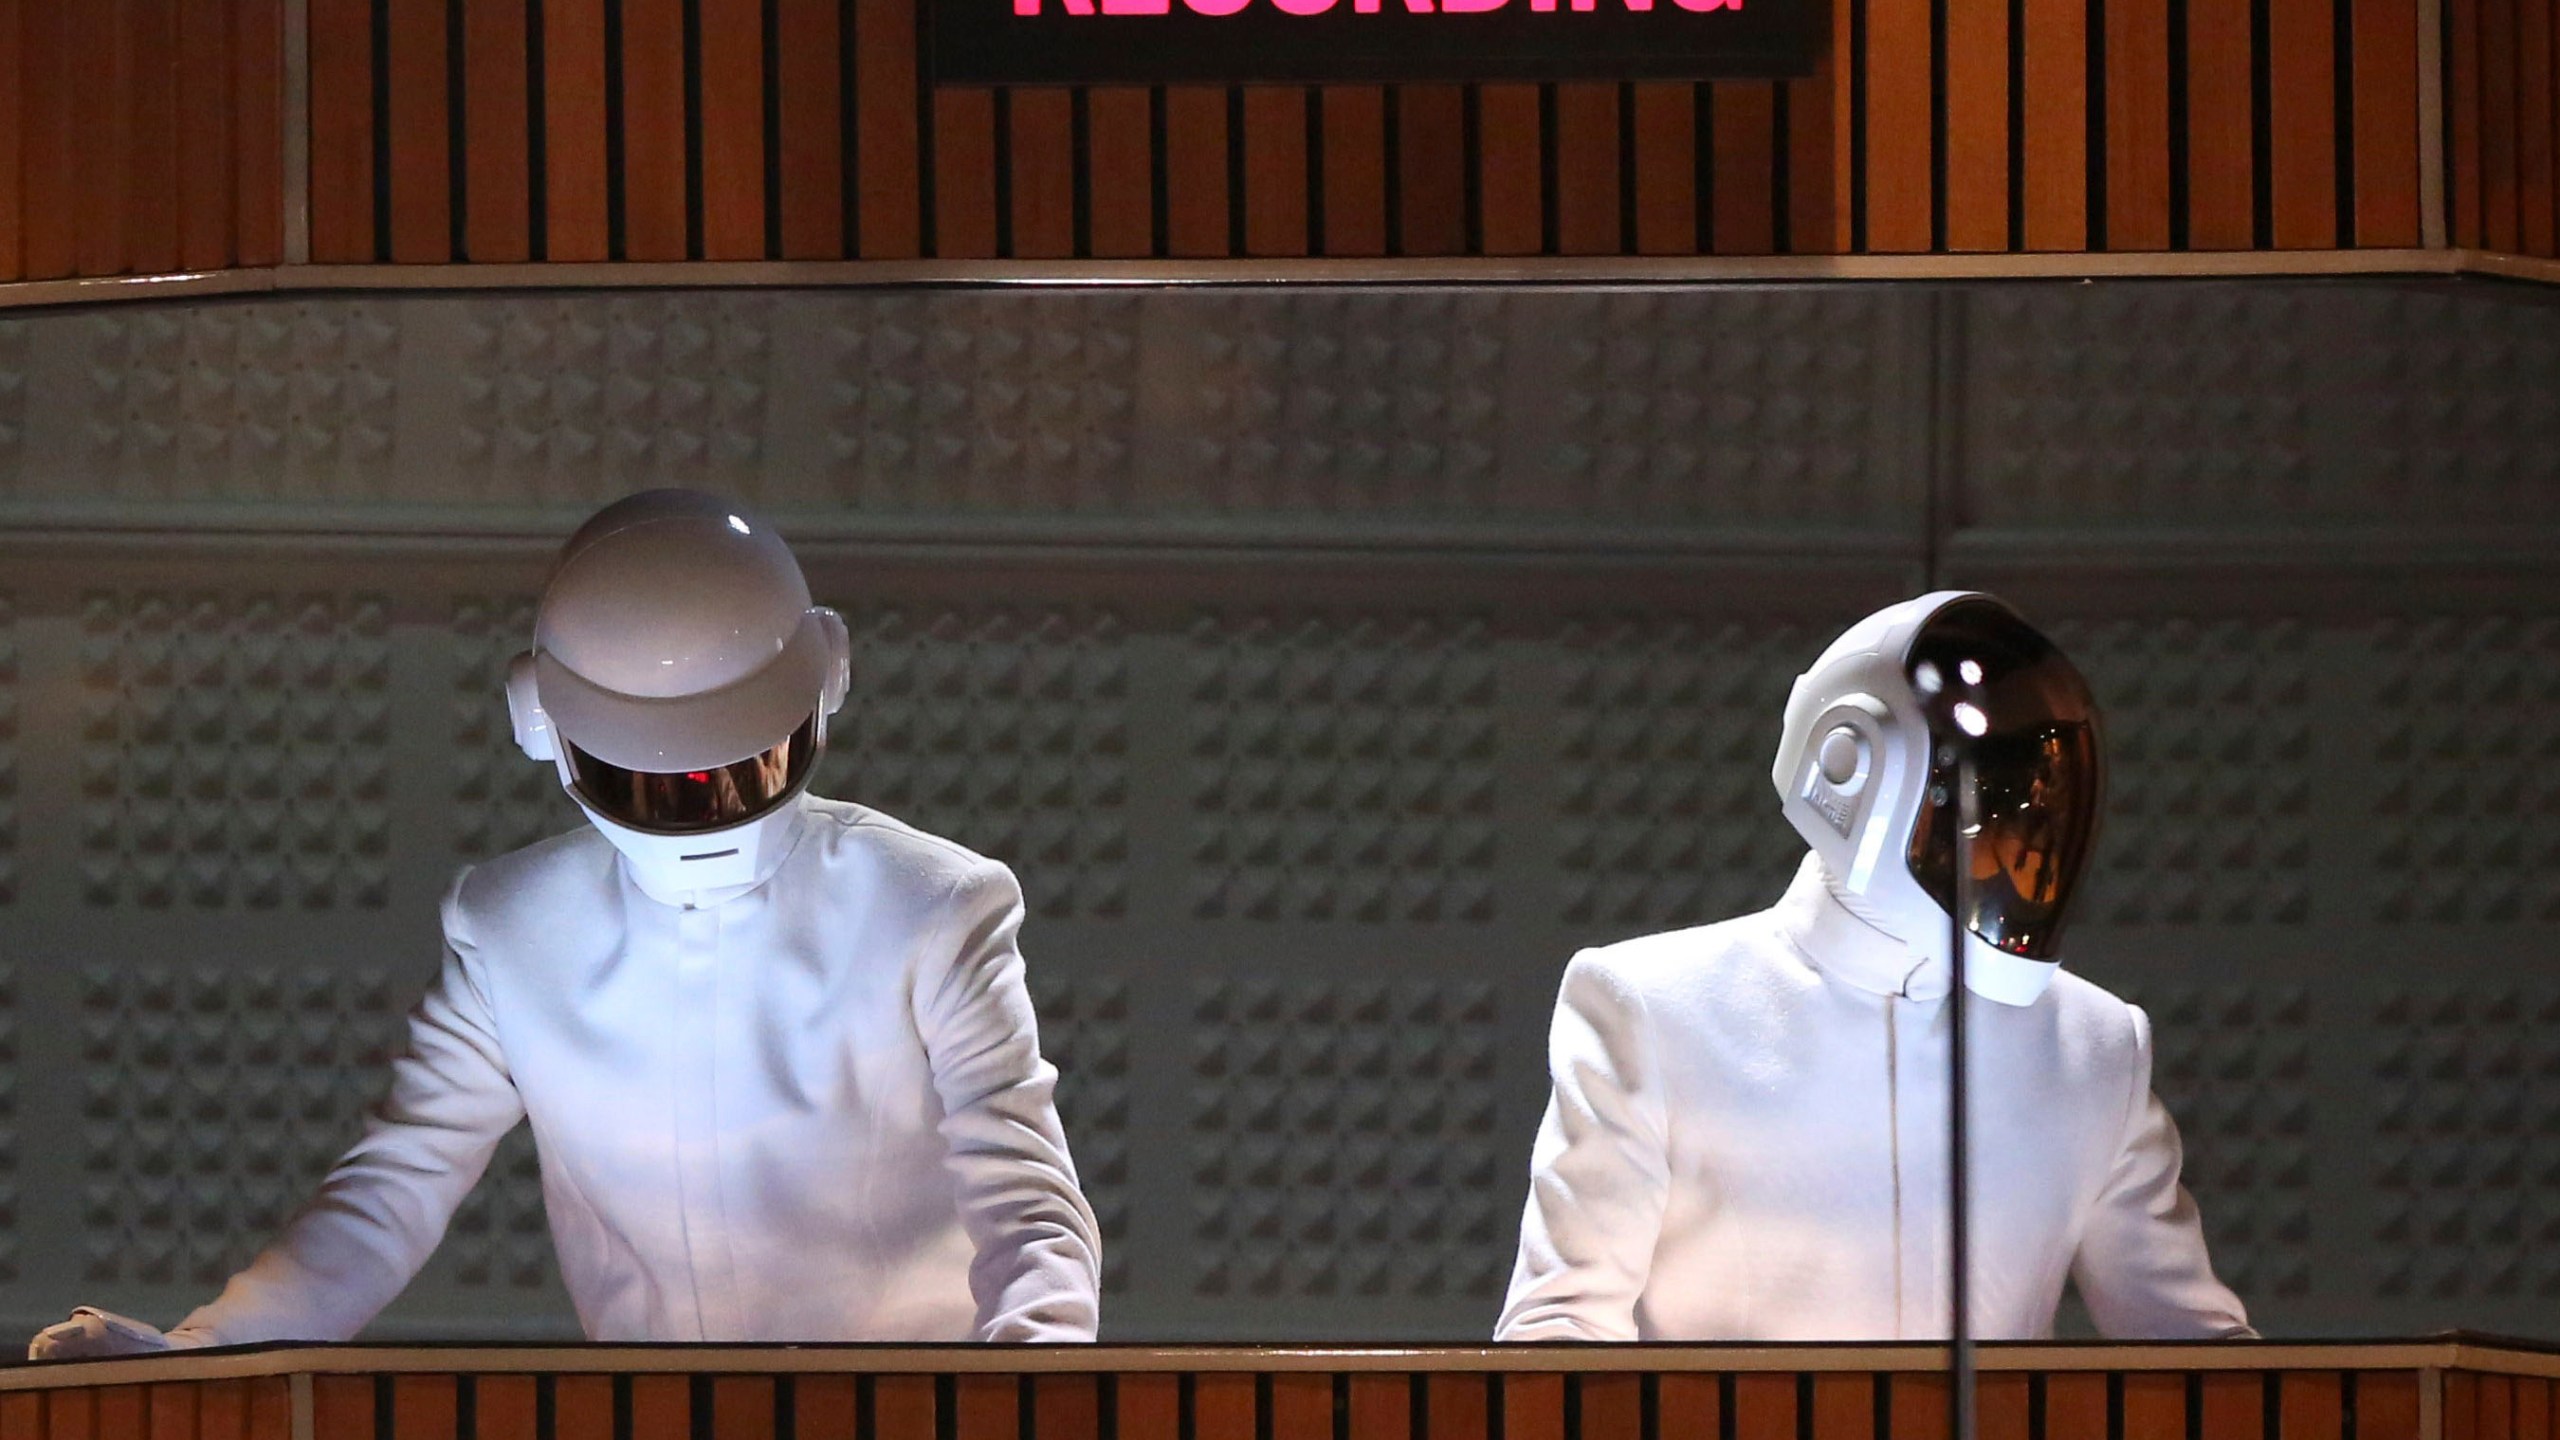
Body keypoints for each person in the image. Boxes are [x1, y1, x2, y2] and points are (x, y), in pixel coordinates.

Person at [34, 490, 1101, 1357]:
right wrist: (198, 1358)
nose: (699, 805)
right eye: (652, 780)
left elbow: (1031, 1211)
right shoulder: (509, 932)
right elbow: (392, 1189)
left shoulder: (932, 905)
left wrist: (1032, 1395)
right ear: (541, 727)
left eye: (740, 766)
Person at [1495, 592, 2251, 1342]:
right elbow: (1556, 1335)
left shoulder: (2097, 1046)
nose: (2014, 847)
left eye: (2032, 812)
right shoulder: (1653, 1007)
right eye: (1985, 806)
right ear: (1849, 765)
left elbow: (2204, 1361)